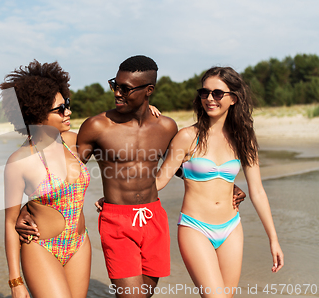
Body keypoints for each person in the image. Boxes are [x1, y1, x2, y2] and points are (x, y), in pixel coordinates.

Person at [15, 56, 247, 298]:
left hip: (153, 219)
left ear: (148, 91)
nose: (117, 92)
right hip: (117, 221)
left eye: (125, 88)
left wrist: (224, 186)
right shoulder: (97, 126)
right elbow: (67, 171)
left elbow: (178, 167)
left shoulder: (166, 127)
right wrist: (29, 205)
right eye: (115, 84)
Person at [156, 66, 284, 297]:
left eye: (217, 93)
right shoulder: (187, 136)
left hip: (231, 228)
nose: (209, 98)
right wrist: (118, 197)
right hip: (195, 228)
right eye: (204, 93)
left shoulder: (243, 139)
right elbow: (158, 181)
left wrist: (273, 240)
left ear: (233, 99)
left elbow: (257, 191)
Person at [1, 60, 92, 298]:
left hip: (80, 243)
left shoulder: (75, 142)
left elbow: (120, 144)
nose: (69, 112)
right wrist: (15, 281)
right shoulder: (18, 161)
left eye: (67, 104)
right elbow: (11, 223)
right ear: (37, 113)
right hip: (42, 247)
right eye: (60, 109)